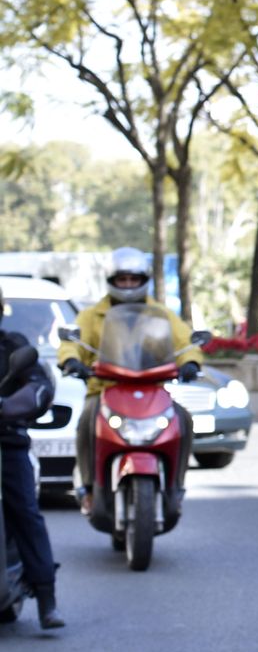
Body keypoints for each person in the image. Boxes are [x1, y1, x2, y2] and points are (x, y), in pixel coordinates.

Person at [56, 248, 203, 511]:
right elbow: (72, 343)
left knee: (183, 419)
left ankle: (176, 486)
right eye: (122, 279)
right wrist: (71, 361)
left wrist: (190, 362)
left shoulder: (161, 313)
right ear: (112, 281)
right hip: (105, 389)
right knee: (86, 422)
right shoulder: (92, 315)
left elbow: (185, 342)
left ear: (143, 279)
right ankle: (89, 488)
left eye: (133, 279)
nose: (128, 285)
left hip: (152, 389)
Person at [0, 287, 64, 630]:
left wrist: (9, 406)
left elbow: (38, 386)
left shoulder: (13, 345)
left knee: (24, 509)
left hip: (5, 442)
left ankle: (45, 594)